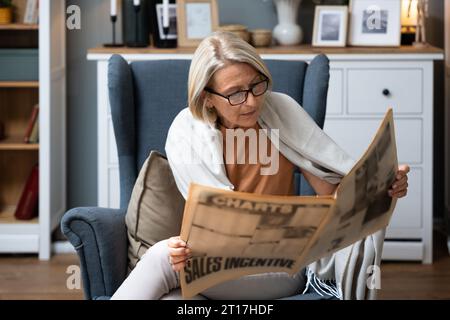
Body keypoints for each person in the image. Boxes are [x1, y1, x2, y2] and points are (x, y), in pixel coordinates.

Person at [111, 31, 409, 300]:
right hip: (215, 262)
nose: (252, 102)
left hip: (282, 265)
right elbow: (208, 222)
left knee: (162, 259)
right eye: (235, 94)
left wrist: (382, 186)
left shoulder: (282, 112)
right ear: (207, 98)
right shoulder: (185, 131)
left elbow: (334, 192)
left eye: (256, 85)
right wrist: (183, 248)